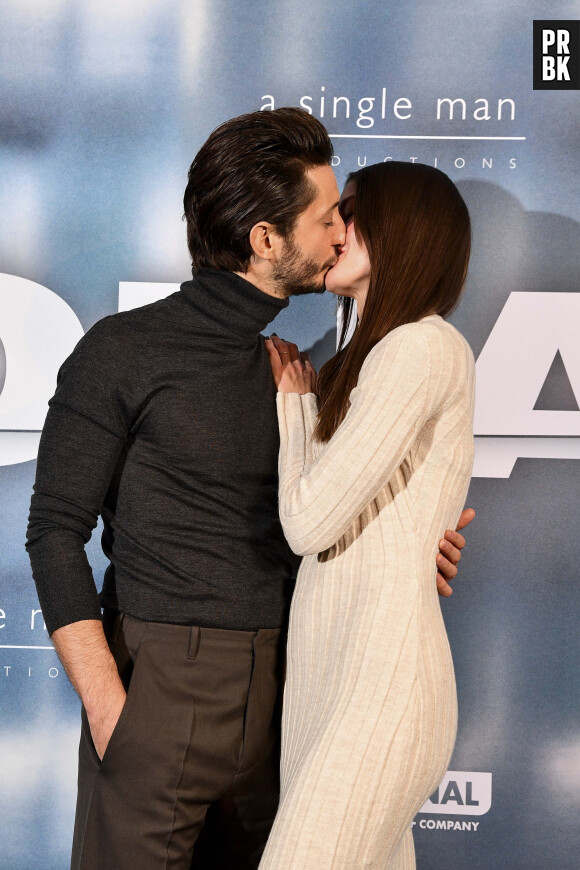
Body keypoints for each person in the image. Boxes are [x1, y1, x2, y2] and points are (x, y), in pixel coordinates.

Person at [26, 110, 472, 870]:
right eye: (329, 216)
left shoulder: (313, 376)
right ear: (266, 240)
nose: (341, 233)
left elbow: (332, 515)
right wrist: (111, 709)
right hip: (161, 690)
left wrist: (407, 547)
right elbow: (53, 531)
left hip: (296, 696)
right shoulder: (122, 350)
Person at [261, 161, 475, 869]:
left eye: (350, 211)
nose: (333, 227)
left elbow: (308, 525)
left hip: (378, 690)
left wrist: (294, 407)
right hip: (335, 681)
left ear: (402, 231)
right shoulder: (374, 354)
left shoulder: (420, 347)